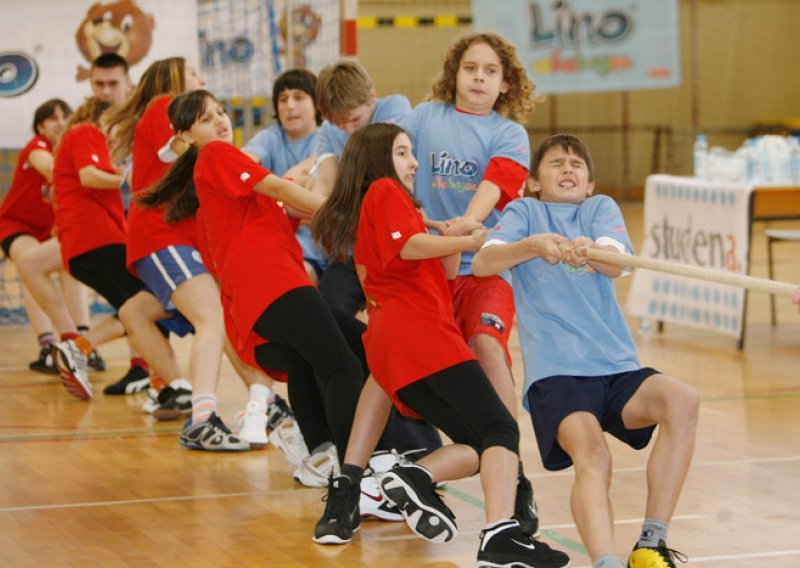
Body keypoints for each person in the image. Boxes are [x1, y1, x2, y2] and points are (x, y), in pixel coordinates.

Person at [311, 122, 569, 568]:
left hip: (403, 351)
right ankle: (427, 486)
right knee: (503, 430)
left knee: (483, 444)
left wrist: (454, 235)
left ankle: (479, 524)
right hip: (424, 340)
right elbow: (409, 248)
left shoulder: (399, 208)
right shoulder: (384, 195)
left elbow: (444, 272)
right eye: (403, 153)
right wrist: (469, 238)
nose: (413, 163)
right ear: (378, 160)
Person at [472, 134, 699, 568]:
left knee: (683, 399)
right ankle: (606, 561)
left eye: (576, 164)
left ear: (590, 183)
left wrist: (591, 252)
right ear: (535, 181)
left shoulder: (599, 210)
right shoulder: (525, 212)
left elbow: (616, 261)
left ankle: (651, 543)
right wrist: (534, 245)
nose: (568, 169)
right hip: (558, 376)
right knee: (593, 455)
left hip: (616, 370)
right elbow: (485, 262)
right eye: (555, 164)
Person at [146, 89, 364, 477]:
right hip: (273, 285)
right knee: (341, 364)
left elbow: (286, 203)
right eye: (205, 118)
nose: (218, 120)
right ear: (186, 137)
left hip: (258, 295)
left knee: (311, 360)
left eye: (220, 111)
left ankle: (320, 455)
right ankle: (356, 469)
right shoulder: (216, 154)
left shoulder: (221, 177)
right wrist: (348, 217)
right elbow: (281, 190)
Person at [399, 31, 543, 537]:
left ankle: (515, 470)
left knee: (487, 344)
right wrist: (419, 218)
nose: (479, 77)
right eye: (470, 68)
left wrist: (464, 225)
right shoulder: (422, 118)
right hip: (428, 269)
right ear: (454, 74)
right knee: (428, 370)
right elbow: (393, 172)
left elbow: (495, 185)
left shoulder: (509, 134)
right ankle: (378, 473)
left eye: (489, 71)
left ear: (505, 84)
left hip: (485, 264)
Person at [315, 58, 444, 464]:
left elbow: (370, 173)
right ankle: (337, 437)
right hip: (357, 249)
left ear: (372, 99)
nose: (350, 131)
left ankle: (415, 440)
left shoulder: (394, 113)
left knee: (395, 343)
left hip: (397, 250)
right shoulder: (331, 129)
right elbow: (325, 176)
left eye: (355, 119)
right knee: (322, 321)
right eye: (340, 125)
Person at [42, 97, 143, 400]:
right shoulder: (87, 132)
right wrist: (130, 179)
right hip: (97, 238)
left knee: (137, 307)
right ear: (107, 118)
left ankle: (150, 375)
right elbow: (89, 176)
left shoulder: (78, 138)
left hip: (86, 243)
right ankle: (79, 348)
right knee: (148, 303)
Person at [0, 99, 92, 373]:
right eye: (52, 118)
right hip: (16, 225)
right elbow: (49, 168)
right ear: (40, 126)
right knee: (31, 264)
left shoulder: (77, 151)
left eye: (65, 116)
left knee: (71, 267)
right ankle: (48, 345)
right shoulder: (38, 147)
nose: (60, 122)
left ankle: (83, 341)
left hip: (53, 228)